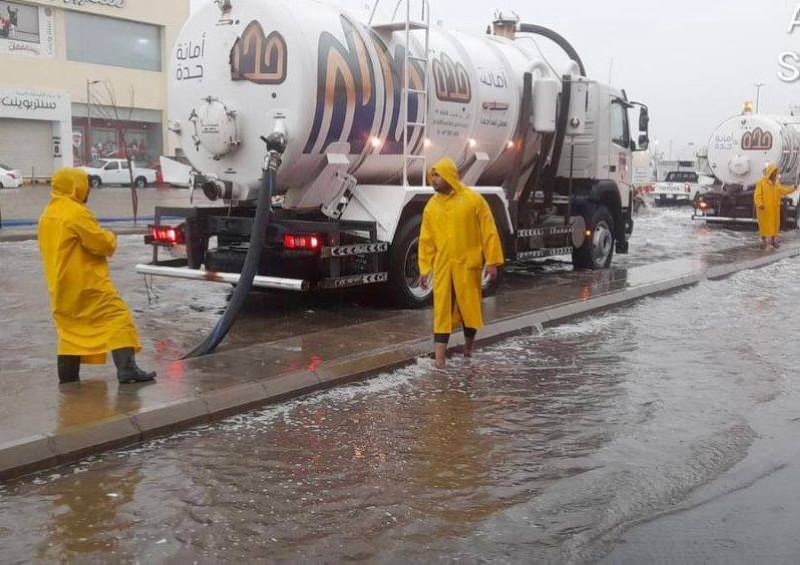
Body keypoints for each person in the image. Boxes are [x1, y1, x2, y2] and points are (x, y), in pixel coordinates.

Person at [38, 168, 156, 385]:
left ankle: (68, 380)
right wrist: (111, 236)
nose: (88, 191)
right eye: (85, 186)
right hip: (88, 286)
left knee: (69, 331)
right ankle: (127, 369)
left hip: (60, 287)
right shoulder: (75, 212)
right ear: (76, 187)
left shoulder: (47, 214)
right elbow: (101, 244)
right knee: (118, 318)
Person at [418, 158, 505, 369]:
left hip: (467, 265)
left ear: (449, 176)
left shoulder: (473, 200)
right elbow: (426, 239)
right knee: (442, 312)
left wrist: (492, 261)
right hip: (443, 267)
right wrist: (425, 268)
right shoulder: (432, 206)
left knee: (469, 309)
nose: (434, 180)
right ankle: (439, 361)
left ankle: (468, 349)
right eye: (433, 176)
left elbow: (489, 231)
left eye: (438, 175)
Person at [754, 163, 798, 249]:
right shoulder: (761, 182)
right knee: (764, 226)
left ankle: (773, 241)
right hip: (764, 209)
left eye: (775, 172)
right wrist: (760, 204)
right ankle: (763, 241)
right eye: (773, 172)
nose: (775, 174)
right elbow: (757, 195)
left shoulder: (776, 183)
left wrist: (793, 188)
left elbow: (783, 191)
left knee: (775, 226)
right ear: (769, 172)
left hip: (774, 209)